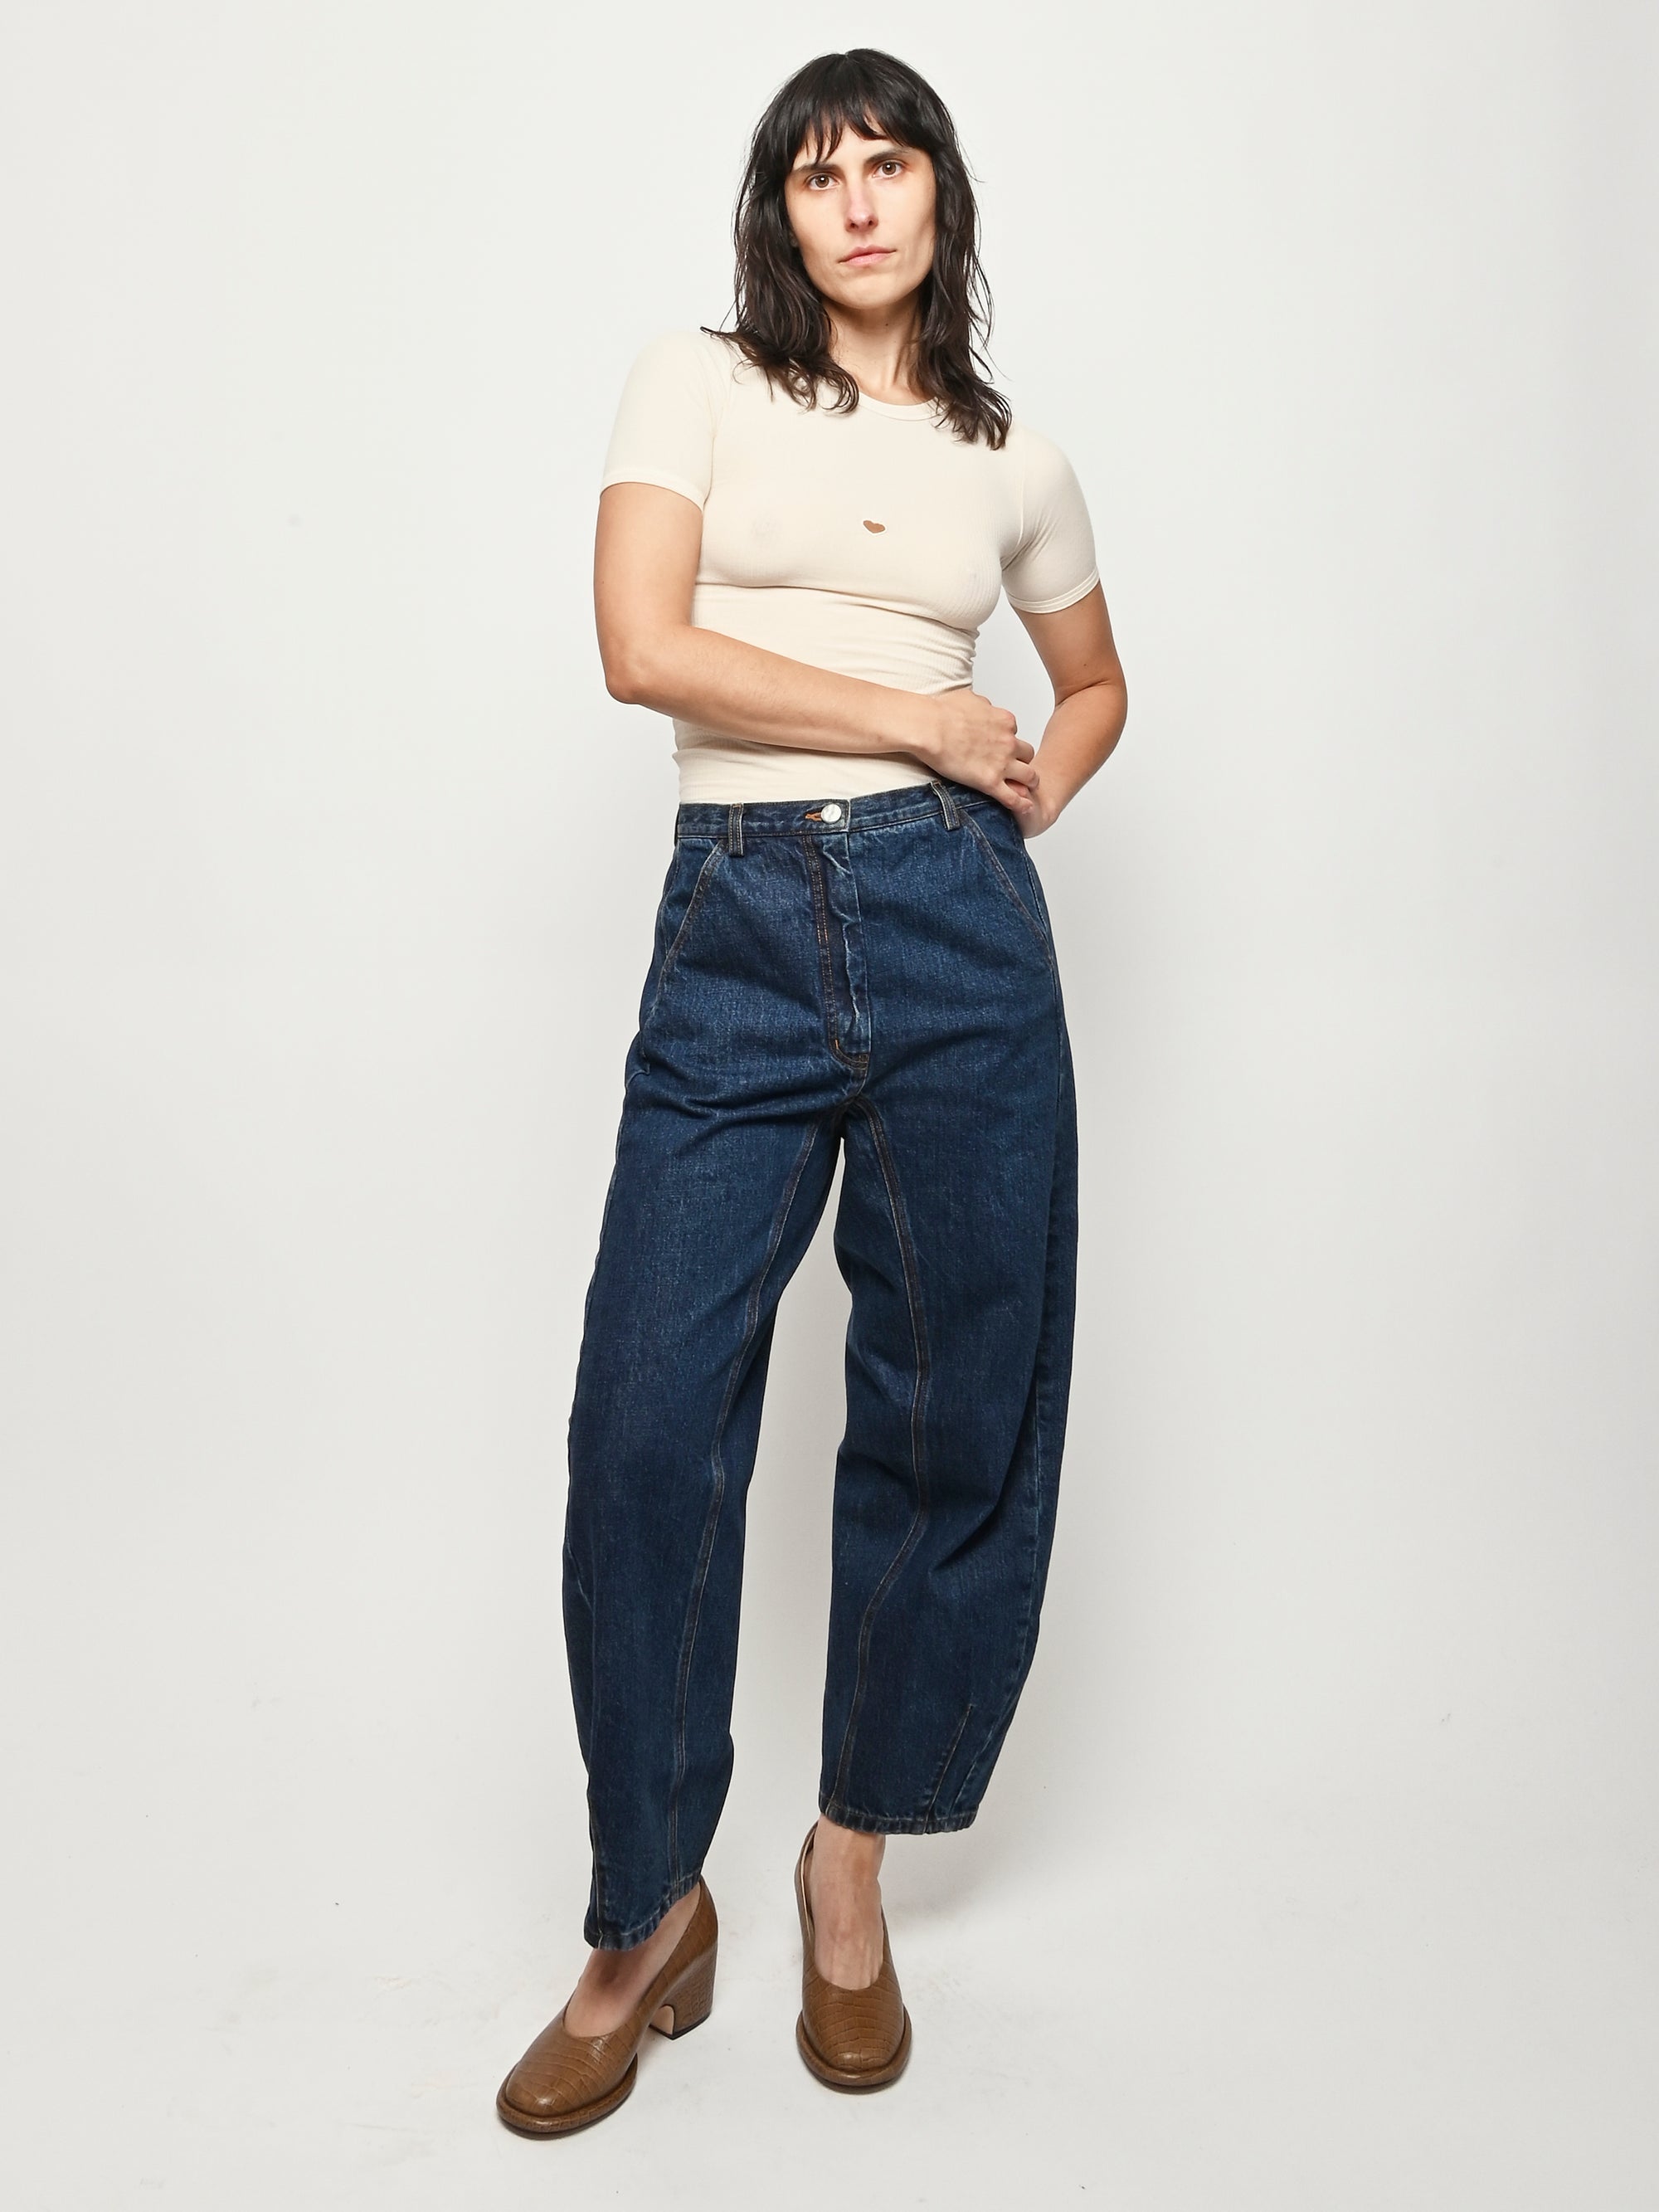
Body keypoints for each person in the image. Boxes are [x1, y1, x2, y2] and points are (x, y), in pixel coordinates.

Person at [496, 46, 1127, 2136]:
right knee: (645, 1417)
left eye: (891, 163)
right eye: (815, 171)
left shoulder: (1013, 456)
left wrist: (1030, 775)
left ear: (943, 195)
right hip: (740, 920)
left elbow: (1093, 677)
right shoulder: (693, 381)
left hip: (960, 928)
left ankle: (846, 1861)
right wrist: (922, 722)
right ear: (776, 209)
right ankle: (642, 1911)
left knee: (954, 1401)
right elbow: (641, 646)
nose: (856, 201)